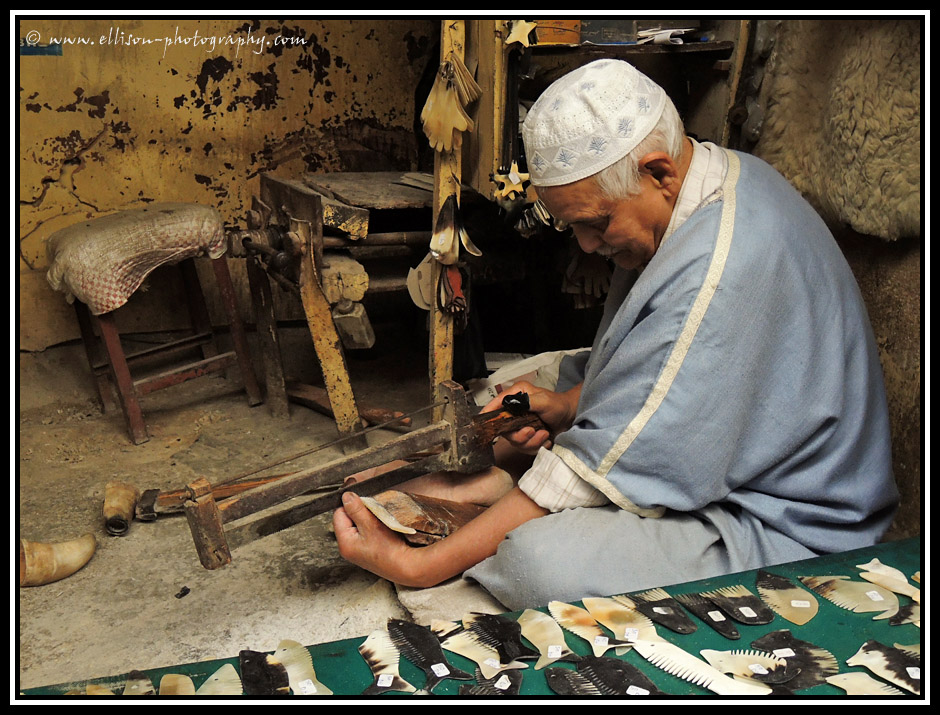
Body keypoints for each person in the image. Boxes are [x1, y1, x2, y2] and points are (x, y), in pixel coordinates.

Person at [332, 59, 899, 611]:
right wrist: (569, 405)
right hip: (732, 437)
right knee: (520, 383)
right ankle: (507, 483)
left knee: (540, 562)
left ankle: (504, 493)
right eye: (572, 225)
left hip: (783, 525)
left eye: (597, 223)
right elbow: (672, 373)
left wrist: (419, 568)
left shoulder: (724, 269)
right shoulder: (710, 174)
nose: (584, 246)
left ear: (658, 172)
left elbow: (665, 387)